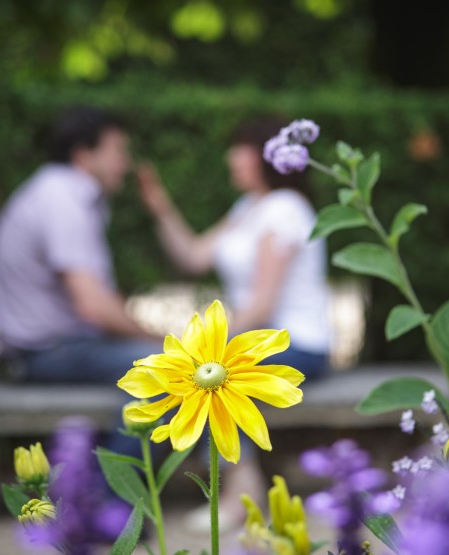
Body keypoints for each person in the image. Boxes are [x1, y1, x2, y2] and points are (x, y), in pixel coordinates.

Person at [137, 118, 332, 528]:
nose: (232, 157)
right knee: (200, 378)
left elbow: (262, 308)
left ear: (268, 158)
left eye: (242, 148)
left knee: (214, 383)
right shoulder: (248, 208)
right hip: (250, 337)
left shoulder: (285, 209)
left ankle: (241, 492)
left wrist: (201, 345)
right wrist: (160, 206)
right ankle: (241, 490)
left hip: (295, 343)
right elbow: (192, 256)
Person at [0, 106, 161, 385]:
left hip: (51, 349)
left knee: (160, 363)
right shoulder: (63, 202)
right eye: (117, 152)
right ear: (83, 155)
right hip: (44, 354)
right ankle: (125, 432)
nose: (125, 164)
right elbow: (94, 306)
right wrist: (161, 341)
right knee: (164, 368)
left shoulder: (58, 191)